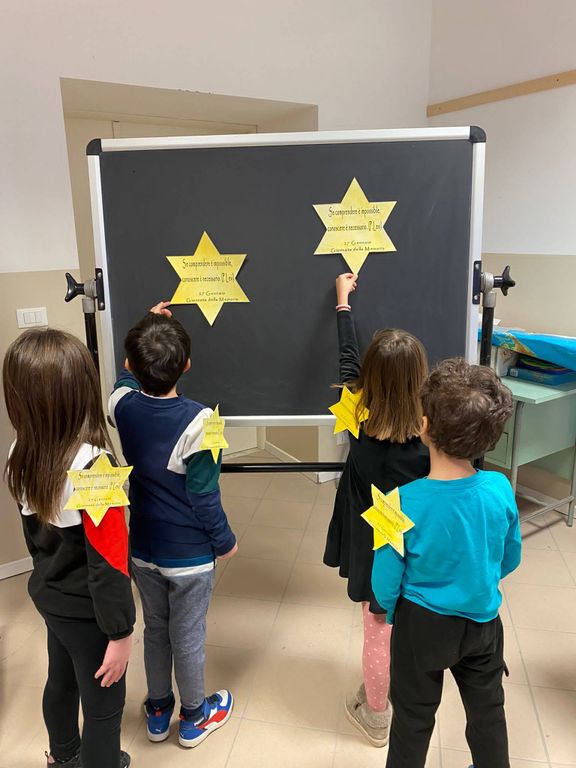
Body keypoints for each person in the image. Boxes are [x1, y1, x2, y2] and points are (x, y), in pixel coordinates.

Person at [372, 358, 521, 768]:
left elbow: (384, 581)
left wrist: (390, 611)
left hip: (421, 626)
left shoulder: (396, 502)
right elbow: (510, 556)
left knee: (413, 720)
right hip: (483, 621)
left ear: (423, 426)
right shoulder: (501, 488)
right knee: (488, 712)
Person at [3, 329, 135, 768]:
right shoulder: (97, 466)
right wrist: (120, 634)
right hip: (90, 613)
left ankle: (62, 759)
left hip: (51, 597)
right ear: (80, 391)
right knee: (103, 708)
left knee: (61, 682)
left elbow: (35, 537)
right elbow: (110, 563)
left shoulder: (19, 450)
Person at [108, 301, 237, 749]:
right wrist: (224, 540)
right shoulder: (205, 422)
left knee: (156, 629)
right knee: (188, 635)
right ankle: (195, 716)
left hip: (143, 549)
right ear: (187, 365)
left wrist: (147, 325)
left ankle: (159, 710)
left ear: (130, 363)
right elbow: (204, 495)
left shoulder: (121, 405)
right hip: (190, 556)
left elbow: (124, 381)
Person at [323, 273, 430, 746]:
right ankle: (398, 695)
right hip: (417, 544)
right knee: (407, 623)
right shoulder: (430, 433)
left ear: (368, 376)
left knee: (377, 630)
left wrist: (343, 304)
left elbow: (348, 358)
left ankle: (377, 714)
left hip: (374, 547)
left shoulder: (357, 410)